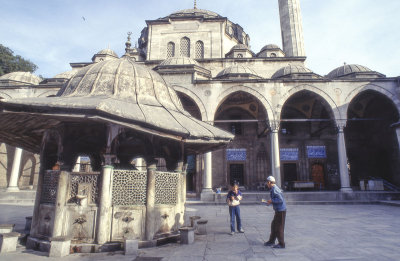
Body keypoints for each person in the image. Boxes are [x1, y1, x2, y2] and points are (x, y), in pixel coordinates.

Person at [264, 176, 286, 248]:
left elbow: (280, 200)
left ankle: (281, 244)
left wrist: (272, 201)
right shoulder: (273, 188)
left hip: (281, 211)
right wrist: (270, 202)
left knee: (279, 227)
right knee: (274, 225)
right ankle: (271, 241)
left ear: (269, 182)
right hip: (278, 210)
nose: (267, 184)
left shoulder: (275, 189)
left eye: (267, 182)